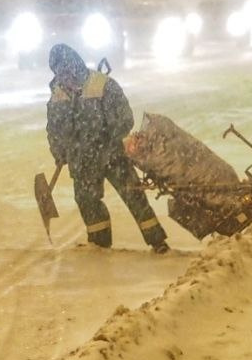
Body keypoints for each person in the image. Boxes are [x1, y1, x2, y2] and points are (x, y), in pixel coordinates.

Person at [46, 43, 170, 253]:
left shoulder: (103, 86)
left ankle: (157, 242)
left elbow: (125, 118)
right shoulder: (58, 96)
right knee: (87, 201)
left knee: (134, 196)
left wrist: (104, 139)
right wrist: (59, 151)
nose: (66, 78)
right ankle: (99, 243)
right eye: (61, 74)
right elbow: (54, 129)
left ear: (76, 66)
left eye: (68, 72)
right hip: (82, 161)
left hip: (112, 155)